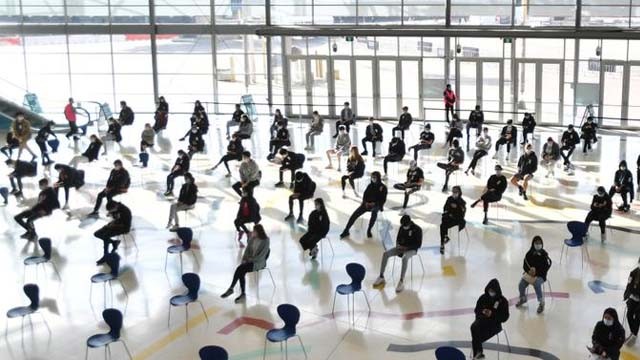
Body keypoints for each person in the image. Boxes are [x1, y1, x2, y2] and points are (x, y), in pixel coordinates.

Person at [372, 215, 422, 293]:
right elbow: (398, 239)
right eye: (402, 225)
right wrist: (398, 246)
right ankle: (381, 276)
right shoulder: (402, 227)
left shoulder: (418, 229)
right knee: (386, 254)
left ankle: (401, 281)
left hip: (411, 250)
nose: (403, 227)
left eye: (405, 225)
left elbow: (418, 244)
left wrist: (407, 248)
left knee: (405, 258)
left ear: (409, 223)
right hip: (401, 248)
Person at [221, 224, 270, 303]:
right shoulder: (252, 239)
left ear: (259, 232)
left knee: (240, 269)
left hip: (258, 263)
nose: (252, 232)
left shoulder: (266, 241)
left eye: (254, 231)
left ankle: (233, 289)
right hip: (249, 261)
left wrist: (249, 260)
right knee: (241, 270)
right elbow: (247, 250)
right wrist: (244, 259)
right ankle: (239, 292)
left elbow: (261, 256)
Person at [340, 172, 387, 239]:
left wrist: (374, 204)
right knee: (355, 214)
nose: (373, 179)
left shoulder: (383, 187)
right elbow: (365, 195)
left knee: (374, 213)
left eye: (374, 177)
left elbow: (383, 199)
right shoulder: (370, 186)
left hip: (376, 204)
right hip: (366, 203)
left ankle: (369, 230)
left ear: (378, 178)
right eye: (372, 177)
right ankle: (346, 230)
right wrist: (365, 203)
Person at [470, 279, 509, 359]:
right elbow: (476, 310)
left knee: (476, 337)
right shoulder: (483, 298)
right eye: (489, 290)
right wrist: (483, 311)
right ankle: (478, 353)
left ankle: (478, 353)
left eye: (493, 291)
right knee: (474, 327)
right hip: (481, 321)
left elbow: (505, 317)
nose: (491, 292)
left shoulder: (503, 301)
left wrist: (492, 314)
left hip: (495, 325)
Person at [515, 236, 552, 314]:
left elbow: (546, 267)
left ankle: (541, 303)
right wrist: (528, 271)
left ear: (542, 244)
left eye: (539, 243)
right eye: (536, 243)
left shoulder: (544, 255)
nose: (538, 245)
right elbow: (525, 265)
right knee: (521, 284)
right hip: (529, 275)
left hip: (541, 276)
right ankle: (522, 298)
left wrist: (536, 272)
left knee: (536, 284)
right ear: (533, 244)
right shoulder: (529, 253)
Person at [93, 200, 131, 265]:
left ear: (115, 206)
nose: (110, 211)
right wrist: (111, 215)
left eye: (111, 210)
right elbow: (115, 218)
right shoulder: (116, 207)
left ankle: (106, 255)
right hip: (114, 224)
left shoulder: (125, 211)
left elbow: (125, 225)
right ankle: (114, 243)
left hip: (123, 228)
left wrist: (111, 225)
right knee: (97, 234)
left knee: (106, 235)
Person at [439, 186, 465, 254]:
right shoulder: (449, 199)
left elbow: (462, 215)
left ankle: (447, 237)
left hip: (458, 220)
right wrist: (447, 211)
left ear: (459, 192)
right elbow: (445, 208)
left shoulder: (462, 202)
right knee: (443, 224)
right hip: (449, 218)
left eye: (455, 192)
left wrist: (457, 207)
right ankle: (443, 241)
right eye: (453, 191)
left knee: (446, 224)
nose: (454, 193)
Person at [624, 258, 640, 347]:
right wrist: (627, 296)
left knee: (638, 316)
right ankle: (633, 333)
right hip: (633, 297)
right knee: (629, 315)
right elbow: (628, 285)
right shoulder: (633, 273)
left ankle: (633, 335)